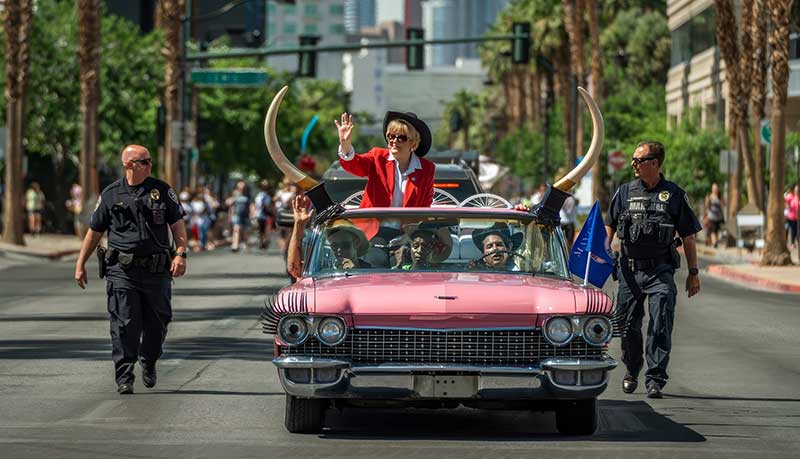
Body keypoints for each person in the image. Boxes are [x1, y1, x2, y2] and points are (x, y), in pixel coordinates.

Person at [73, 145, 187, 395]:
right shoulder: (112, 194)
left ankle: (149, 359)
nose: (149, 165)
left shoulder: (162, 191)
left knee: (159, 322)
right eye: (143, 161)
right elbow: (95, 231)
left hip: (157, 270)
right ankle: (124, 375)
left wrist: (180, 253)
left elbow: (177, 224)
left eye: (150, 161)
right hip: (122, 271)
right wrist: (81, 263)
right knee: (124, 324)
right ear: (128, 165)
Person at [605, 141, 702, 399]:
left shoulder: (674, 195)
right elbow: (609, 225)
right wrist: (604, 251)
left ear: (654, 163)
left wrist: (693, 273)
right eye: (633, 159)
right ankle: (632, 368)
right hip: (629, 271)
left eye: (639, 160)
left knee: (660, 323)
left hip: (660, 271)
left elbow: (689, 236)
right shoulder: (624, 192)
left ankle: (655, 378)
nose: (633, 164)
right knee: (626, 326)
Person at [335, 111, 435, 240]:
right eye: (391, 136)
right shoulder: (377, 157)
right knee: (377, 259)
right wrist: (346, 146)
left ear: (413, 142)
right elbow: (355, 165)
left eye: (401, 138)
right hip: (373, 235)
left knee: (405, 260)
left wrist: (415, 236)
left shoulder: (426, 169)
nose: (394, 141)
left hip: (406, 237)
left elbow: (425, 208)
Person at [286, 195, 370, 278]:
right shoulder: (321, 270)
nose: (339, 250)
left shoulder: (371, 270)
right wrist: (299, 224)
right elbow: (294, 269)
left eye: (345, 245)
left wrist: (355, 271)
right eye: (334, 246)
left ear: (356, 243)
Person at [228, 181, 251, 252]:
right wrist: (230, 215)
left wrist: (252, 214)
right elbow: (230, 205)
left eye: (243, 186)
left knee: (245, 231)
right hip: (236, 214)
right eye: (239, 186)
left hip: (245, 215)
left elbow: (251, 205)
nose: (241, 188)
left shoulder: (247, 195)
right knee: (236, 229)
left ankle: (246, 245)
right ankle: (235, 245)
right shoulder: (234, 194)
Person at [254, 179, 274, 250]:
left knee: (266, 228)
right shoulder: (259, 195)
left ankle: (265, 241)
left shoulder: (269, 195)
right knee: (260, 229)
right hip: (260, 214)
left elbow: (269, 205)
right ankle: (262, 241)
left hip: (266, 214)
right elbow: (256, 205)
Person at [704, 182, 725, 248]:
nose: (716, 189)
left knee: (717, 230)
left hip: (719, 217)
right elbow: (707, 205)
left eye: (716, 188)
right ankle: (715, 243)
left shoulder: (719, 196)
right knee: (713, 230)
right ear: (712, 189)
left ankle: (713, 241)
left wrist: (722, 200)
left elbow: (724, 205)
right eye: (714, 188)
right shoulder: (710, 196)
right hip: (711, 216)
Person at [785, 183, 799, 249]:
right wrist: (788, 206)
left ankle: (794, 242)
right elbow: (786, 204)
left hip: (797, 217)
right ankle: (792, 243)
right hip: (791, 217)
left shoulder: (797, 197)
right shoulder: (789, 196)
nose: (796, 190)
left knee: (796, 231)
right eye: (795, 189)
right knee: (793, 230)